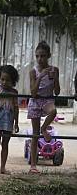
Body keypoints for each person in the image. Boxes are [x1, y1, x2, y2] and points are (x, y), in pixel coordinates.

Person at [28, 41, 60, 174]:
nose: (40, 59)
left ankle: (44, 128)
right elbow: (33, 93)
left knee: (53, 111)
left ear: (48, 56)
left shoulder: (54, 70)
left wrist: (55, 79)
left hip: (47, 100)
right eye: (37, 56)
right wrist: (41, 76)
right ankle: (33, 166)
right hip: (36, 101)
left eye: (43, 56)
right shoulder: (33, 71)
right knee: (35, 135)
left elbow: (57, 92)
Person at [0, 65, 19, 175]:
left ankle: (3, 167)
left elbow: (16, 108)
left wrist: (16, 123)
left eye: (8, 80)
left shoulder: (14, 93)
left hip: (8, 122)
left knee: (5, 144)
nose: (4, 82)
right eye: (2, 79)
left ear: (13, 81)